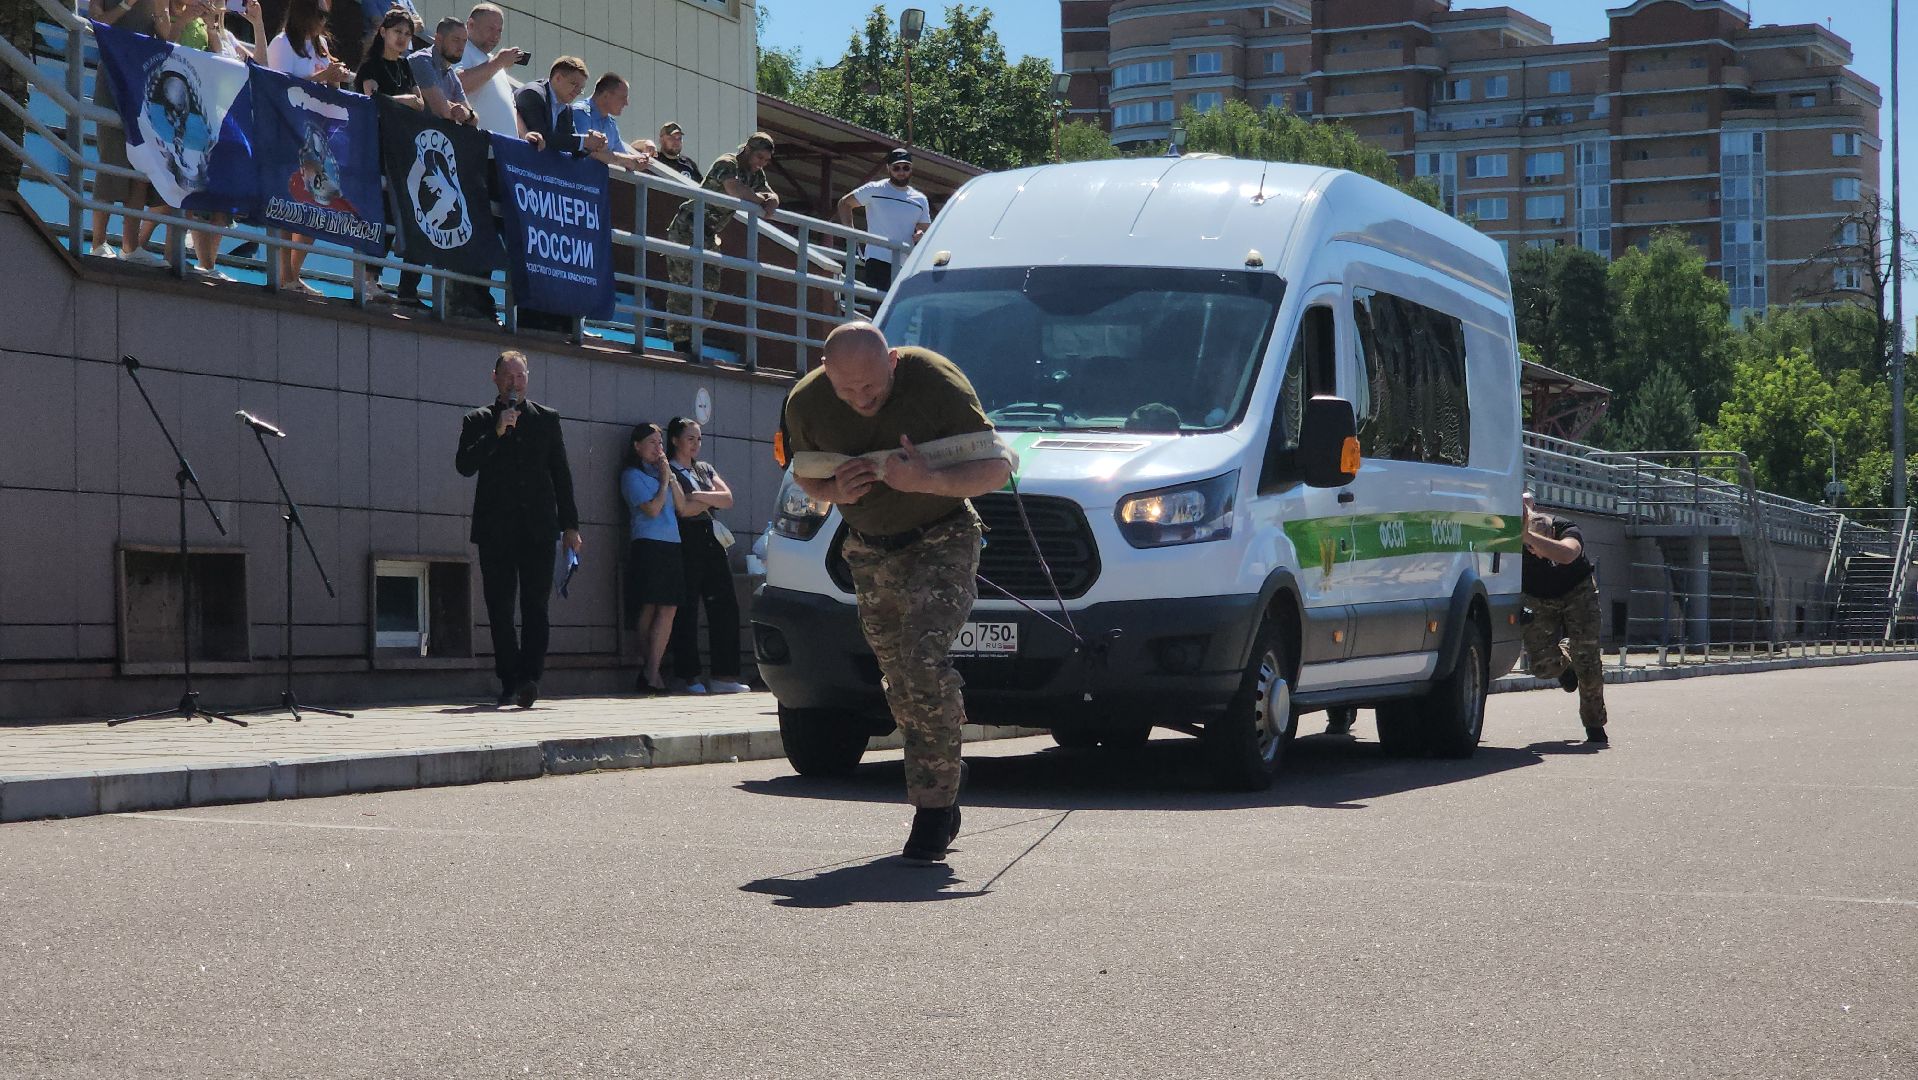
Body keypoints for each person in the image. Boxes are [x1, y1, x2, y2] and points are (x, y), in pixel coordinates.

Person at [781, 321, 1013, 862]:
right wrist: (834, 490)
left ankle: (933, 809)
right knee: (898, 678)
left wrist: (926, 479)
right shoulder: (807, 402)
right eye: (848, 390)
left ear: (892, 363)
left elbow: (998, 468)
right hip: (869, 548)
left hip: (944, 534)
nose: (862, 400)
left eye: (873, 387)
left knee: (921, 660)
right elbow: (805, 474)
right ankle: (944, 761)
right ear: (825, 372)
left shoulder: (935, 381)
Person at [455, 350, 583, 709]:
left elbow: (561, 474)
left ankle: (530, 678)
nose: (515, 383)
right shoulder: (478, 420)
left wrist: (570, 525)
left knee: (535, 606)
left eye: (521, 376)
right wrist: (496, 433)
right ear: (494, 378)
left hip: (539, 528)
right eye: (509, 377)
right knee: (499, 607)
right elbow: (464, 465)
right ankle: (509, 681)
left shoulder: (546, 419)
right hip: (496, 530)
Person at [664, 132, 779, 356]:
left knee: (710, 288)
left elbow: (768, 192)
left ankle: (693, 338)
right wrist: (760, 201)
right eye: (759, 157)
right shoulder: (728, 163)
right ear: (747, 150)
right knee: (684, 286)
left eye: (766, 160)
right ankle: (680, 343)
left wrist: (771, 200)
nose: (761, 164)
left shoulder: (755, 173)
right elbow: (734, 188)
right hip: (688, 227)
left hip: (709, 234)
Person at [266, 0, 351, 296]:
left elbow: (331, 90)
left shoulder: (321, 44)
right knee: (289, 204)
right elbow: (278, 86)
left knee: (315, 204)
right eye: (319, 15)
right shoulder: (281, 43)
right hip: (288, 132)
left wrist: (335, 78)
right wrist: (321, 78)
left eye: (326, 16)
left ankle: (294, 274)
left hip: (317, 135)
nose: (323, 22)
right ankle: (285, 275)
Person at [663, 416, 748, 695]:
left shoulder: (703, 469)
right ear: (675, 440)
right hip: (685, 540)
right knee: (687, 607)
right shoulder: (670, 470)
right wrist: (707, 499)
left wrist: (698, 496)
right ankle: (688, 675)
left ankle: (725, 674)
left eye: (699, 439)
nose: (695, 444)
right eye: (690, 438)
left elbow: (728, 498)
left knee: (725, 604)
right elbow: (682, 510)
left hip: (712, 539)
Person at [86, 0, 173, 265]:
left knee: (141, 164)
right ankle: (98, 242)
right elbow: (98, 22)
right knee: (112, 157)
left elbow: (166, 34)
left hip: (143, 76)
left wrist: (160, 10)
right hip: (112, 73)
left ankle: (130, 246)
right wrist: (126, 4)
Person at [1520, 490, 1609, 745]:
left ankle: (1594, 724)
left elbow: (1568, 554)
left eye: (1538, 542)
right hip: (1538, 597)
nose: (1534, 551)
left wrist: (1530, 537)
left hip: (1578, 592)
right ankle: (1564, 662)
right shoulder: (1511, 540)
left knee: (1588, 662)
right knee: (1540, 665)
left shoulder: (1565, 528)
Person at [620, 423, 680, 694]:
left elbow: (682, 505)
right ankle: (650, 670)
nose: (659, 449)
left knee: (669, 607)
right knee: (649, 606)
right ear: (637, 446)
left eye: (660, 443)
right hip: (648, 542)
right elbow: (653, 509)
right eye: (653, 443)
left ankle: (652, 671)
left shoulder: (662, 473)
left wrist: (669, 477)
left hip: (672, 543)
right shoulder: (631, 475)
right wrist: (665, 480)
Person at [836, 147, 931, 293]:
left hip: (905, 263)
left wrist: (920, 233)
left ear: (911, 169)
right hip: (877, 258)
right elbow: (845, 203)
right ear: (888, 168)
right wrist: (851, 234)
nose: (901, 172)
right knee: (879, 305)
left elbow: (924, 227)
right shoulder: (875, 189)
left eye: (905, 167)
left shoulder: (920, 199)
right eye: (896, 168)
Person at [455, 3, 524, 138]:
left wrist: (525, 135)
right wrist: (498, 62)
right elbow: (456, 86)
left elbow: (510, 106)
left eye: (499, 31)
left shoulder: (493, 61)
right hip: (480, 146)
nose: (495, 36)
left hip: (505, 148)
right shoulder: (460, 50)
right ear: (470, 25)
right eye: (490, 29)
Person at [513, 55, 606, 156]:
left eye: (581, 89)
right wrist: (584, 141)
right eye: (574, 84)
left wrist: (595, 146)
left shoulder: (567, 109)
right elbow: (541, 138)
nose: (577, 92)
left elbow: (568, 144)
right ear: (558, 78)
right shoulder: (532, 94)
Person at [572, 73, 655, 173]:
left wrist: (639, 160)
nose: (626, 103)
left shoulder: (611, 124)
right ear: (606, 95)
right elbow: (585, 151)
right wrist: (625, 160)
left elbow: (624, 157)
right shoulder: (580, 112)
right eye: (623, 98)